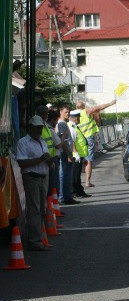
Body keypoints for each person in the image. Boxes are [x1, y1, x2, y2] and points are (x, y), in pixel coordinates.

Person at [16, 116, 55, 251]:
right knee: (34, 210)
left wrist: (49, 161)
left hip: (44, 177)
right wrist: (40, 159)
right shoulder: (23, 142)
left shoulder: (42, 141)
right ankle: (34, 241)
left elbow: (49, 161)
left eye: (40, 127)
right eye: (36, 127)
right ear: (30, 127)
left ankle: (37, 238)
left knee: (41, 210)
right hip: (31, 178)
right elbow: (21, 163)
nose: (39, 129)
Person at [76, 99, 116, 187]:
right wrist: (110, 103)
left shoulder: (73, 114)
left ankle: (76, 182)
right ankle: (87, 181)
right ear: (83, 106)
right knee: (88, 160)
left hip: (78, 139)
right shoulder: (85, 112)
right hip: (88, 138)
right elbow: (98, 107)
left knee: (77, 161)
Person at [67, 108, 92, 198]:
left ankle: (79, 191)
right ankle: (74, 192)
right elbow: (72, 141)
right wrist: (76, 153)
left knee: (77, 175)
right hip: (75, 155)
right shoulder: (71, 127)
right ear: (74, 118)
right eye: (78, 117)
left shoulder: (74, 126)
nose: (80, 119)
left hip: (79, 155)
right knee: (75, 175)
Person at [56, 105, 77, 205]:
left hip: (66, 152)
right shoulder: (62, 124)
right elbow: (62, 141)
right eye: (66, 112)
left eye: (69, 112)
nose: (68, 114)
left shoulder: (63, 123)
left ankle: (65, 196)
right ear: (60, 112)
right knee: (65, 175)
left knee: (66, 175)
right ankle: (64, 197)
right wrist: (69, 154)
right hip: (65, 153)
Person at [42, 106, 63, 198]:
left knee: (50, 183)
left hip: (47, 158)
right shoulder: (49, 129)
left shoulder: (45, 128)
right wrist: (63, 137)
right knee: (53, 183)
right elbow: (58, 145)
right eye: (56, 120)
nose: (57, 123)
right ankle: (53, 205)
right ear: (53, 119)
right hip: (51, 159)